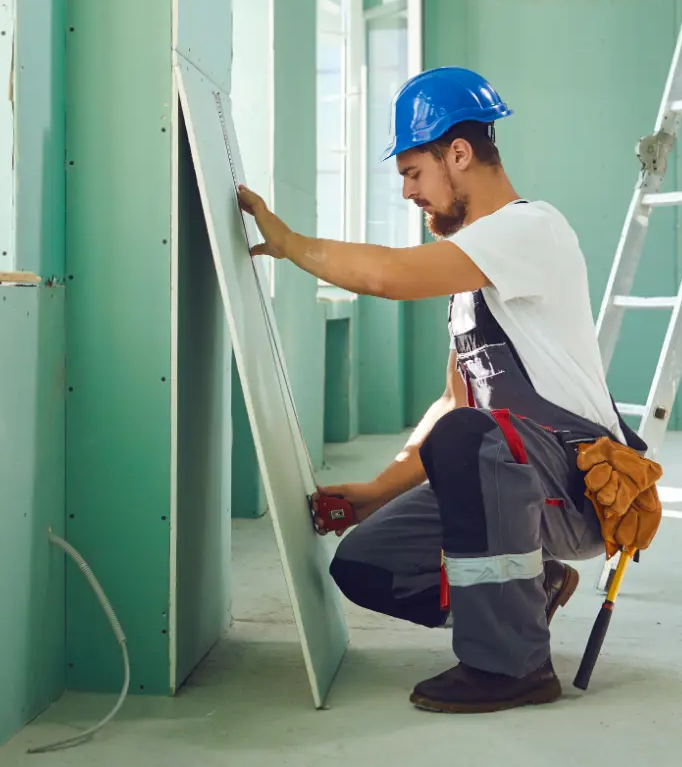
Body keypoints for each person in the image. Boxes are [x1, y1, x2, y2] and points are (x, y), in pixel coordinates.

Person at [235, 66, 649, 714]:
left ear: (459, 153)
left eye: (413, 171)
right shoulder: (466, 281)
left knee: (471, 438)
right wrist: (375, 490)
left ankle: (512, 666)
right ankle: (533, 585)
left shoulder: (530, 229)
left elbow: (388, 276)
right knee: (367, 562)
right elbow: (454, 403)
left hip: (574, 487)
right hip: (513, 476)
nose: (406, 191)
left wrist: (291, 245)